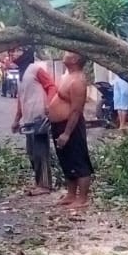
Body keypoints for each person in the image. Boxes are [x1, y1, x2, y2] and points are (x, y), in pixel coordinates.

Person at [48, 51, 94, 209]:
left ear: (75, 59)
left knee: (78, 160)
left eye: (69, 53)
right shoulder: (67, 75)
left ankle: (82, 198)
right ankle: (70, 194)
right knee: (66, 160)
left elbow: (76, 110)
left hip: (71, 125)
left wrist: (67, 133)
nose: (64, 54)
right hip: (59, 124)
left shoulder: (78, 81)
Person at [11, 46, 57, 196]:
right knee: (31, 152)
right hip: (28, 118)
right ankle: (39, 183)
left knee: (40, 152)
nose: (14, 54)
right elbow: (21, 98)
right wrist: (17, 119)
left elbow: (51, 86)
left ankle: (45, 185)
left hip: (39, 116)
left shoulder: (35, 69)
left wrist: (49, 105)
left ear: (26, 53)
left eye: (17, 51)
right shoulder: (20, 74)